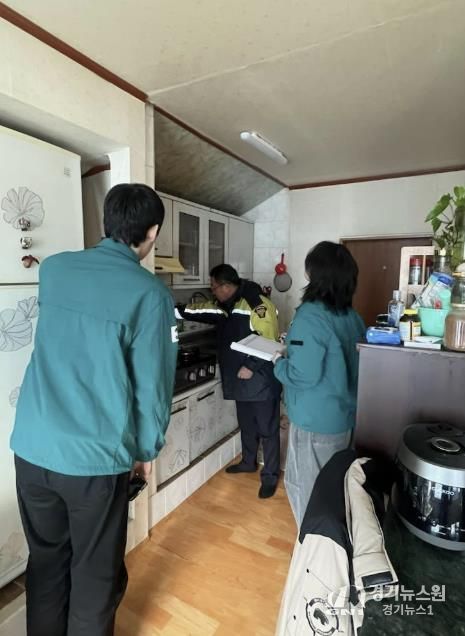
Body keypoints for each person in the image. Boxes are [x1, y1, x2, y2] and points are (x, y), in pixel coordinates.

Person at [10, 183, 178, 636]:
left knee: (47, 563)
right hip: (93, 461)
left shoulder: (55, 269)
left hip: (31, 448)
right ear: (152, 232)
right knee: (94, 576)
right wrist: (146, 451)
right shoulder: (150, 295)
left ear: (107, 222)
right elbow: (153, 387)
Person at [273, 241, 365, 528]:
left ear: (317, 275)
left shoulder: (311, 315)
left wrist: (278, 362)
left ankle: (311, 550)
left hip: (315, 423)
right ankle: (332, 546)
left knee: (307, 493)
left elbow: (302, 375)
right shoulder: (353, 317)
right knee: (335, 492)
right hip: (344, 419)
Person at [177, 264, 281, 498]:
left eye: (214, 287)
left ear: (225, 286)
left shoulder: (258, 305)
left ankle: (270, 476)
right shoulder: (225, 305)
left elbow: (270, 341)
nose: (212, 291)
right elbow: (200, 310)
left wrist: (250, 366)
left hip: (261, 379)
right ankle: (248, 462)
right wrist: (174, 309)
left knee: (267, 429)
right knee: (247, 424)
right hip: (240, 380)